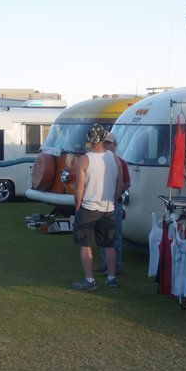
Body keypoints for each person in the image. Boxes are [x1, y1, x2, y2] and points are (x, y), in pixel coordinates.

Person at [72, 124, 124, 291]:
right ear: (104, 138)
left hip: (88, 207)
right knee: (109, 245)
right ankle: (111, 278)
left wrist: (77, 206)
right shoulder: (115, 159)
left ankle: (89, 280)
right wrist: (113, 200)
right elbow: (120, 184)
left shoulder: (85, 159)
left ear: (89, 140)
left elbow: (79, 187)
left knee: (86, 245)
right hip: (108, 207)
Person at [97, 131, 131, 274]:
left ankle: (115, 266)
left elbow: (127, 183)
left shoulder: (120, 162)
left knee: (114, 235)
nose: (106, 145)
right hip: (100, 202)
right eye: (104, 142)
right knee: (101, 234)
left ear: (114, 145)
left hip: (113, 202)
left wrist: (115, 193)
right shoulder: (98, 161)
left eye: (108, 142)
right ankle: (106, 264)